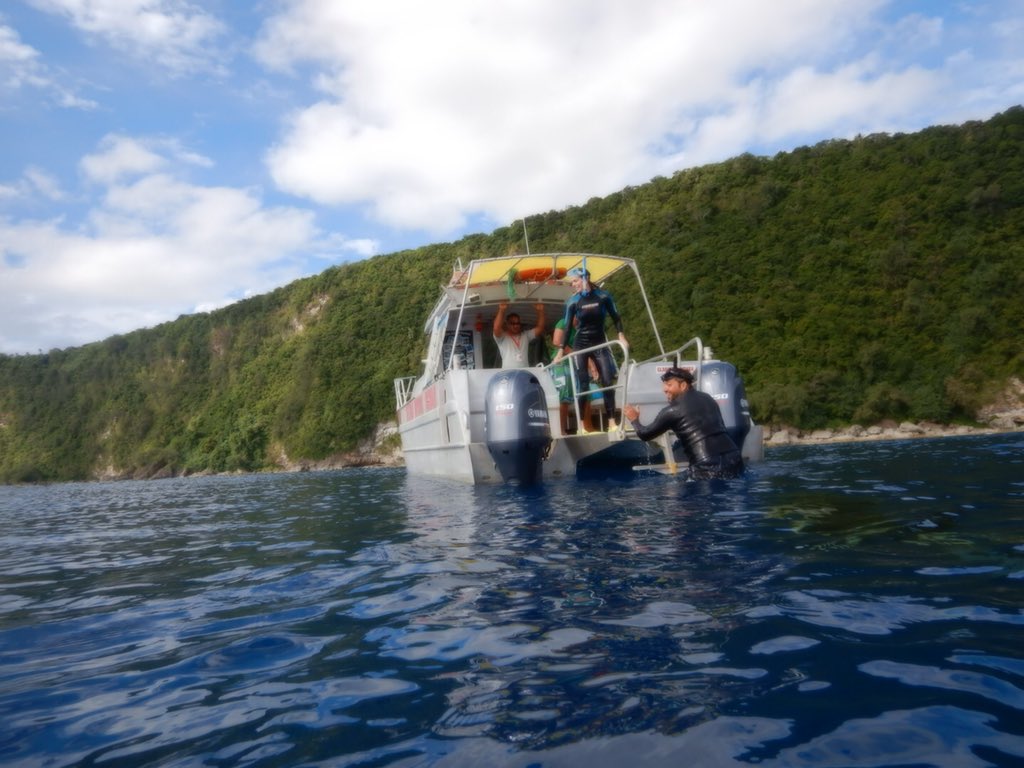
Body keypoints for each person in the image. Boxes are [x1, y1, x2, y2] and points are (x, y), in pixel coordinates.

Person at [623, 367, 744, 479]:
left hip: (706, 465)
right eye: (664, 385)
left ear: (683, 385)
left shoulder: (673, 410)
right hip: (734, 457)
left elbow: (644, 434)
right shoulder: (708, 398)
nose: (664, 389)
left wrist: (634, 419)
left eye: (669, 385)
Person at [561, 267, 626, 429]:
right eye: (572, 282)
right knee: (583, 384)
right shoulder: (573, 301)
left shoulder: (603, 296)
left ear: (586, 279)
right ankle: (582, 425)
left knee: (607, 380)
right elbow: (567, 328)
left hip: (599, 342)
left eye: (575, 281)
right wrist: (561, 350)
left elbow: (616, 317)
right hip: (581, 344)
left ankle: (611, 422)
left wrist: (621, 336)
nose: (573, 284)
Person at [493, 302, 544, 368]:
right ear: (507, 324)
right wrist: (501, 310)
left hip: (524, 373)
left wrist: (540, 311)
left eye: (518, 323)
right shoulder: (502, 337)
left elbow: (540, 328)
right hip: (508, 373)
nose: (516, 325)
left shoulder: (526, 335)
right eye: (513, 323)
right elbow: (496, 328)